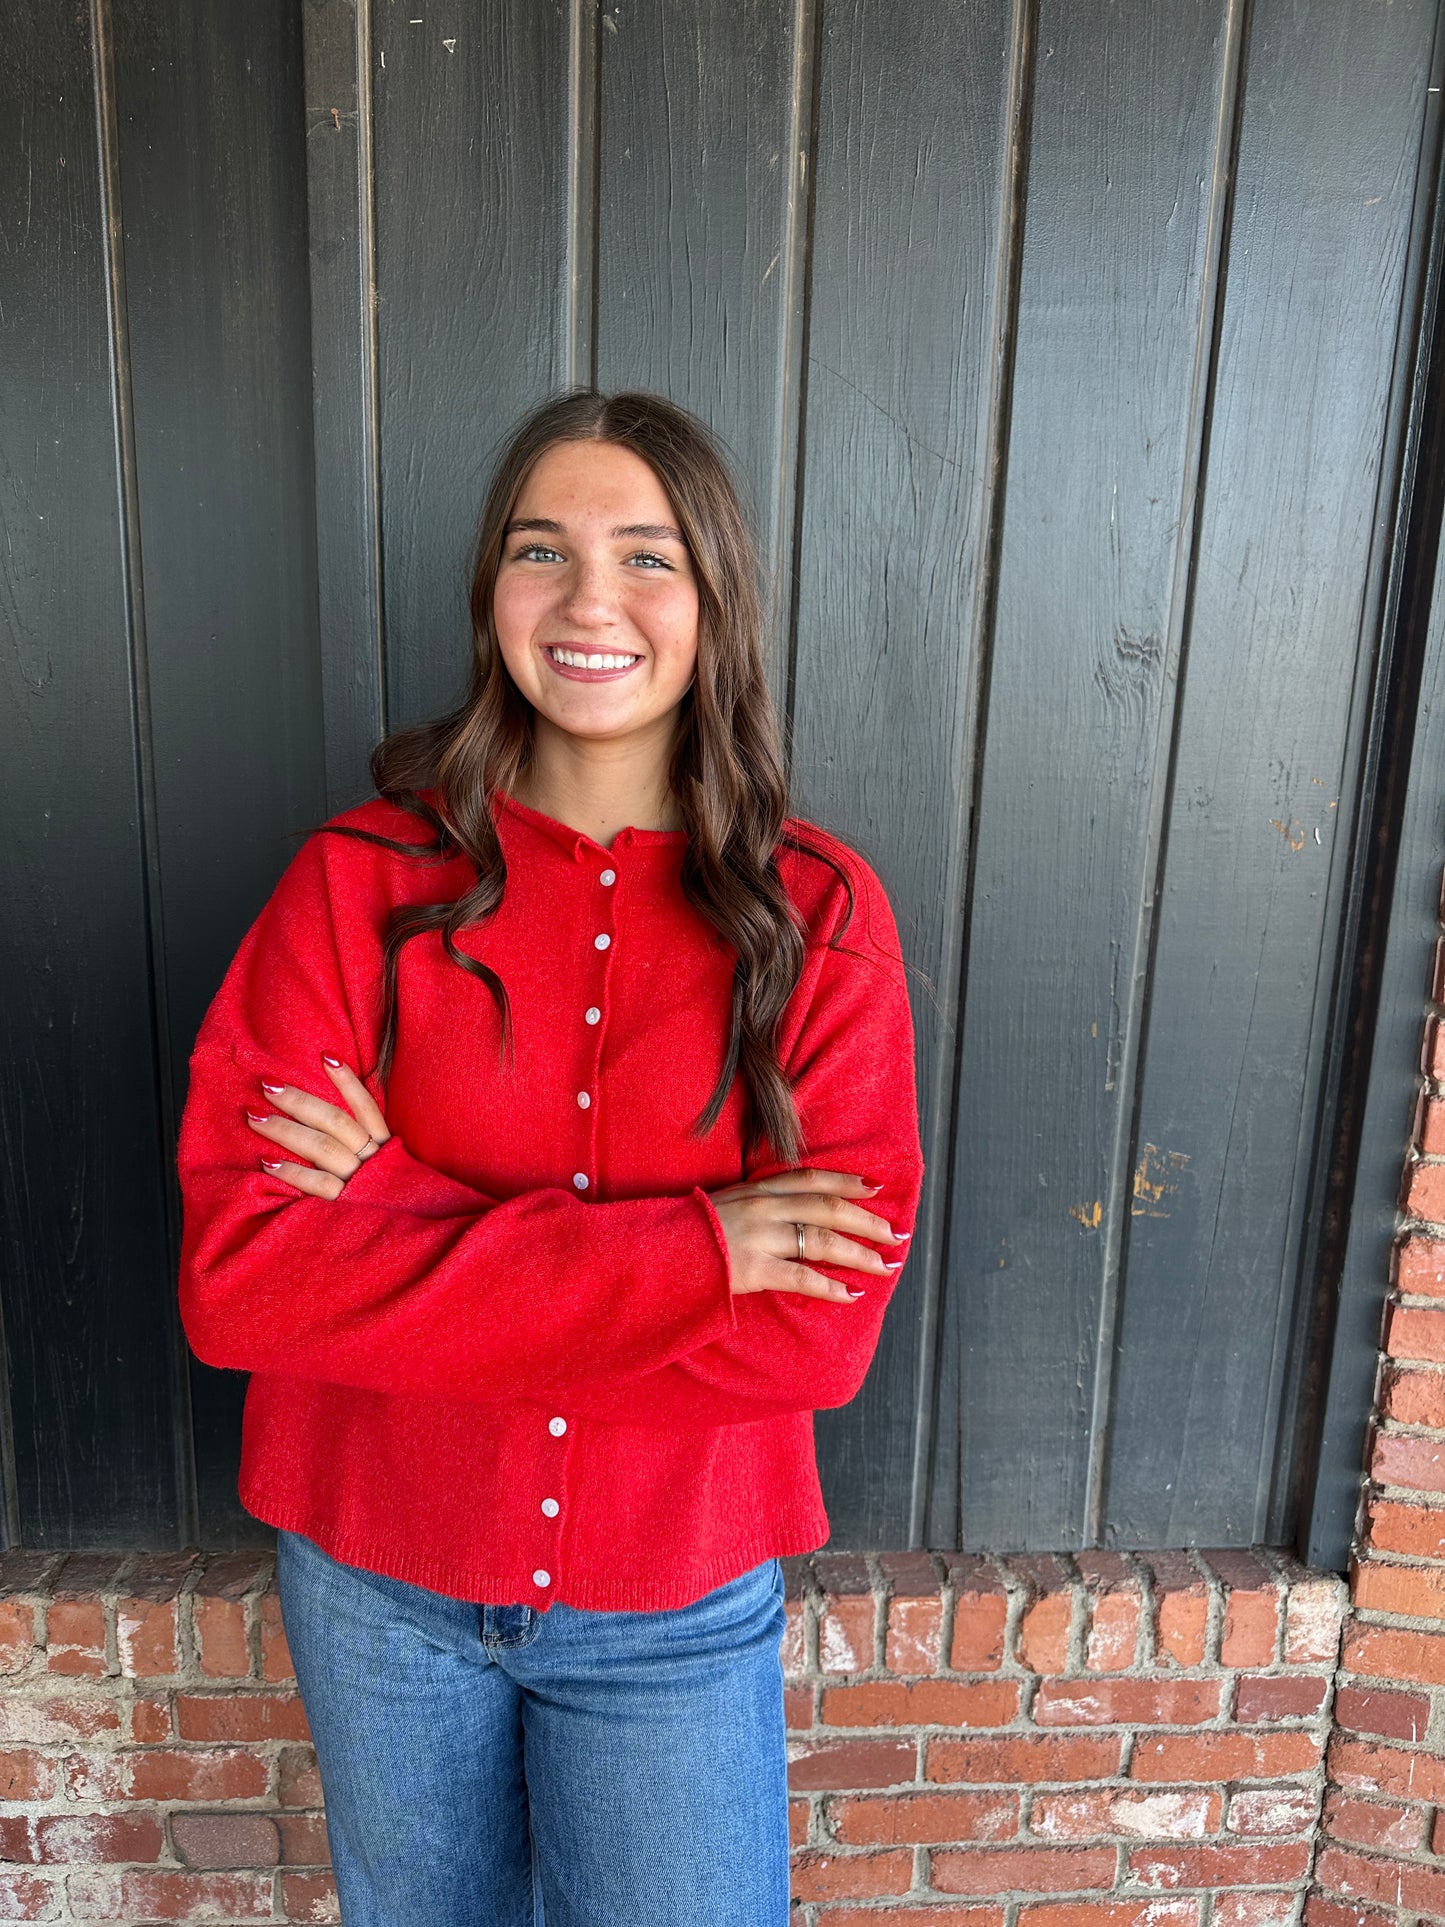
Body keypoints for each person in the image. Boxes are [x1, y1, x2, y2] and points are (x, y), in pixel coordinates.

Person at [175, 388, 926, 1927]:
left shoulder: (820, 918)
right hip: (378, 1586)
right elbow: (243, 1285)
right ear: (491, 591)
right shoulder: (353, 887)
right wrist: (695, 1257)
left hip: (672, 1596)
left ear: (714, 600)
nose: (591, 600)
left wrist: (390, 1214)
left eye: (647, 556)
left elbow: (814, 1340)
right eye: (542, 551)